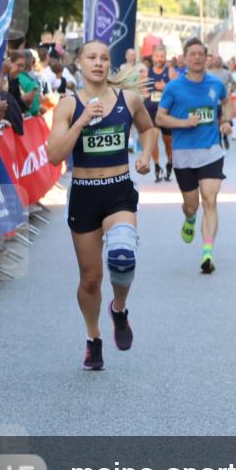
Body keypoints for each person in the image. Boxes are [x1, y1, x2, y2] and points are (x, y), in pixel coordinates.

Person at [46, 41, 155, 370]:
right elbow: (54, 156)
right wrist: (82, 122)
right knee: (91, 279)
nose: (98, 63)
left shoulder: (128, 100)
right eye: (91, 57)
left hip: (118, 188)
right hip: (84, 191)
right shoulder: (67, 105)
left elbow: (148, 128)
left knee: (123, 255)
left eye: (104, 58)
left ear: (110, 64)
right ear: (78, 63)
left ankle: (119, 310)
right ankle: (93, 337)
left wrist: (146, 154)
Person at [156, 38, 232, 274]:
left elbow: (227, 101)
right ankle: (189, 218)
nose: (197, 57)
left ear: (206, 57)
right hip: (183, 154)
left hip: (211, 151)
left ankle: (207, 252)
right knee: (192, 205)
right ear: (185, 57)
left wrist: (226, 120)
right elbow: (160, 118)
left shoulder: (216, 83)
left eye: (201, 53)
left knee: (210, 200)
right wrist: (184, 123)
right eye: (193, 53)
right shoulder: (173, 87)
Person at [145, 45, 176, 182]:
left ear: (165, 57)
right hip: (151, 111)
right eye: (157, 56)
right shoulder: (147, 72)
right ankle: (157, 166)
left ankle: (170, 163)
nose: (159, 59)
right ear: (153, 57)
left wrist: (166, 87)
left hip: (167, 113)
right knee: (153, 139)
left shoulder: (170, 71)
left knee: (168, 142)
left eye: (162, 56)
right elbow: (143, 91)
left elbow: (178, 89)